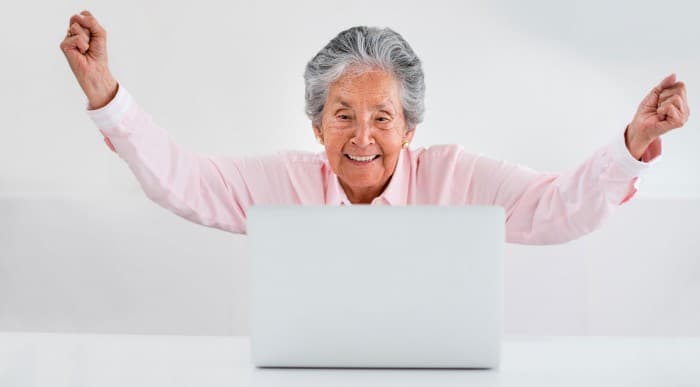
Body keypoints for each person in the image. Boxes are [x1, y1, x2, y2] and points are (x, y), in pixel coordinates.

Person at [60, 10, 690, 245]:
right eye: (342, 116)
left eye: (382, 118)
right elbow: (183, 180)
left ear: (409, 129)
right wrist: (106, 96)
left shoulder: (454, 176)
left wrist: (632, 144)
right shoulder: (283, 182)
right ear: (316, 127)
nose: (362, 138)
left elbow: (558, 209)